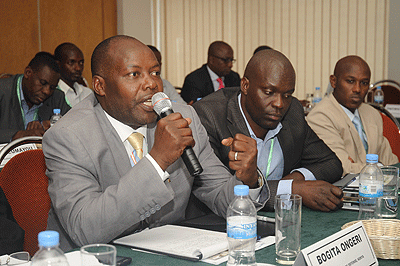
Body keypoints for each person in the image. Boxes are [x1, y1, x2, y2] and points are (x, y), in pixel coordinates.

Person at [43, 35, 269, 251]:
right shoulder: (68, 136)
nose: (151, 83)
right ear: (100, 86)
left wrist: (247, 179)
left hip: (170, 251)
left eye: (155, 72)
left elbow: (221, 196)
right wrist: (157, 160)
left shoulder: (181, 118)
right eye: (134, 74)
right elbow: (86, 229)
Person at [193, 49, 344, 212]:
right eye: (269, 92)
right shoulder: (209, 116)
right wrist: (292, 190)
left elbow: (331, 163)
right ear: (245, 85)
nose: (279, 103)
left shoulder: (292, 111)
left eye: (287, 95)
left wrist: (294, 181)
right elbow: (222, 195)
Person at [307, 55, 399, 174]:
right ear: (333, 81)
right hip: (342, 190)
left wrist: (359, 166)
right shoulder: (320, 116)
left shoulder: (372, 113)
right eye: (350, 81)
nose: (357, 89)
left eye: (364, 83)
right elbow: (342, 168)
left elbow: (391, 163)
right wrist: (379, 167)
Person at [0, 52, 70, 143]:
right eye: (43, 83)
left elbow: (77, 123)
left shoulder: (57, 97)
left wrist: (52, 124)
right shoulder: (3, 91)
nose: (47, 91)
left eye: (52, 87)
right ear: (28, 73)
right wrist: (19, 135)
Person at [54, 42, 93, 107]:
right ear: (58, 64)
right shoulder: (52, 94)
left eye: (81, 62)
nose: (78, 68)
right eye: (71, 62)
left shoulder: (88, 93)